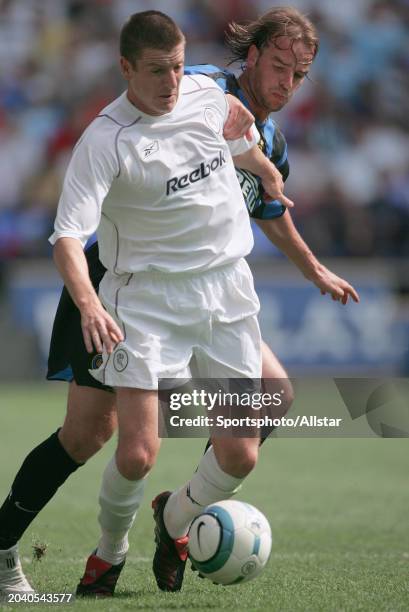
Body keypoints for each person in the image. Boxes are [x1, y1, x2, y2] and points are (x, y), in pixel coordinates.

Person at [0, 6, 359, 597]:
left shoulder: (227, 109)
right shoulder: (171, 104)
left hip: (216, 286)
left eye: (299, 74)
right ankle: (63, 549)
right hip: (120, 283)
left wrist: (269, 177)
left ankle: (174, 522)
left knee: (266, 407)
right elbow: (68, 235)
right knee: (95, 438)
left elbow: (253, 168)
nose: (286, 83)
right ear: (252, 56)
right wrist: (90, 304)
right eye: (278, 66)